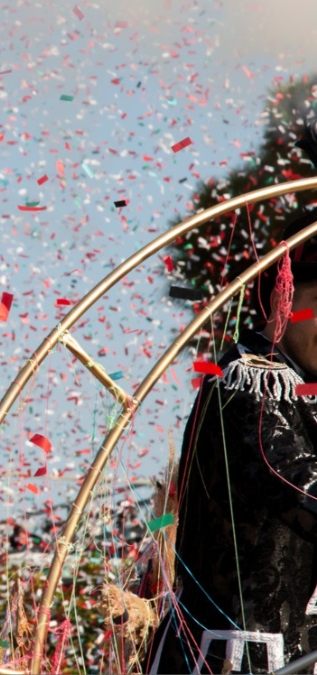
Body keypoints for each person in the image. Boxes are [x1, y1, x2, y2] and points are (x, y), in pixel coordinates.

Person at [148, 209, 317, 674]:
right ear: (283, 300)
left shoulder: (304, 387)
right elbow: (301, 488)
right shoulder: (250, 384)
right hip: (231, 658)